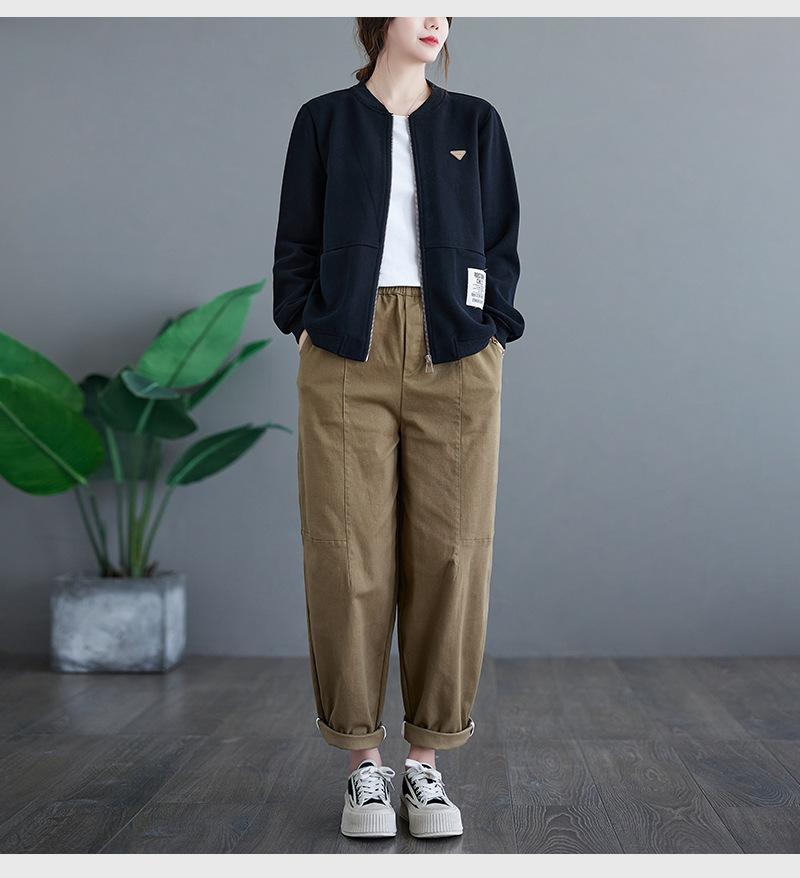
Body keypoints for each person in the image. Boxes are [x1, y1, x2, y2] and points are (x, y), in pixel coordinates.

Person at [272, 16, 524, 840]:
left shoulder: (474, 121)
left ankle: (426, 764)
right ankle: (362, 767)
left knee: (453, 551)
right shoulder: (324, 120)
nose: (436, 18)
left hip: (457, 347)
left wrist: (492, 325)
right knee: (346, 551)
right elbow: (296, 235)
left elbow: (501, 236)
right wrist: (302, 320)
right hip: (348, 345)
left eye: (446, 8)